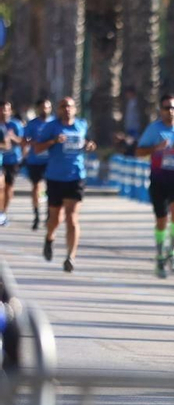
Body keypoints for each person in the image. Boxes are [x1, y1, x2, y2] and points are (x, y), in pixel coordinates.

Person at [134, 94, 174, 277]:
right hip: (159, 180)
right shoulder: (154, 129)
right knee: (161, 220)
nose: (169, 111)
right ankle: (160, 254)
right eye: (166, 108)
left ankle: (173, 252)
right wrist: (156, 148)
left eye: (173, 107)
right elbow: (139, 152)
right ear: (160, 110)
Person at [32, 95, 96, 272]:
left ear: (75, 109)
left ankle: (70, 257)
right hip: (55, 177)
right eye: (63, 106)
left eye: (69, 106)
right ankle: (49, 238)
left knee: (72, 218)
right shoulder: (51, 127)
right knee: (55, 218)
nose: (66, 109)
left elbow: (90, 143)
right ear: (58, 110)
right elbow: (37, 148)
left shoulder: (82, 125)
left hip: (76, 176)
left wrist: (90, 146)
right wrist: (53, 141)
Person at [21, 98, 53, 231]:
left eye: (47, 107)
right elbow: (24, 140)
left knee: (51, 188)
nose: (45, 110)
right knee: (36, 187)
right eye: (42, 107)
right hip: (35, 160)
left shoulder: (55, 123)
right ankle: (36, 215)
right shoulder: (32, 124)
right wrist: (30, 143)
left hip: (51, 161)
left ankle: (49, 215)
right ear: (38, 109)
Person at [0, 100, 23, 227]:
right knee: (1, 187)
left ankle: (3, 211)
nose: (4, 112)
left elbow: (23, 141)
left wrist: (13, 137)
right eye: (1, 109)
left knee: (8, 187)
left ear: (10, 111)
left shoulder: (15, 124)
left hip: (12, 160)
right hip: (0, 161)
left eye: (6, 109)